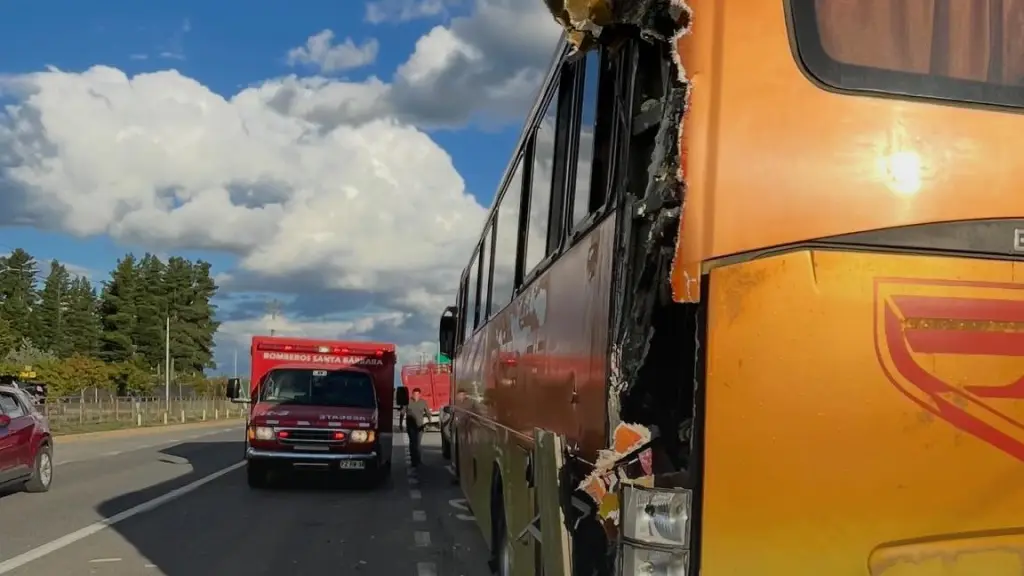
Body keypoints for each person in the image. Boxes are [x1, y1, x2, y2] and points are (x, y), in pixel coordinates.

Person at [405, 387, 430, 466]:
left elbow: (428, 412)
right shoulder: (408, 402)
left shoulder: (423, 402)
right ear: (412, 394)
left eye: (417, 394)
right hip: (410, 426)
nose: (416, 396)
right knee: (412, 443)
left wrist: (429, 420)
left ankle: (418, 460)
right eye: (414, 394)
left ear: (420, 395)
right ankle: (413, 460)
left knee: (418, 444)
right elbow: (402, 412)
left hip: (420, 426)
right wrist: (400, 424)